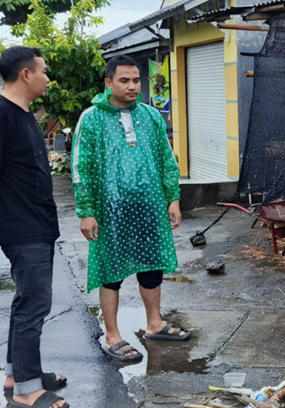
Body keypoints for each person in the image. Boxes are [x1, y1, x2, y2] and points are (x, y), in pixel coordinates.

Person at [0, 46, 68, 408]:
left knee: (27, 301)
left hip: (35, 222)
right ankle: (26, 392)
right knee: (35, 304)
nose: (47, 78)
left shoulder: (22, 113)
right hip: (22, 226)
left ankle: (20, 375)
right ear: (26, 74)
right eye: (43, 71)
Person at [71, 55, 189, 364]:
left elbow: (166, 158)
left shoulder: (150, 116)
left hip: (150, 206)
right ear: (108, 83)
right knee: (111, 271)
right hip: (109, 210)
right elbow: (81, 167)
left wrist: (172, 198)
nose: (133, 86)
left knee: (151, 265)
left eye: (136, 80)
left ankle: (154, 324)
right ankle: (112, 335)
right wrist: (86, 211)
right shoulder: (92, 118)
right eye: (124, 80)